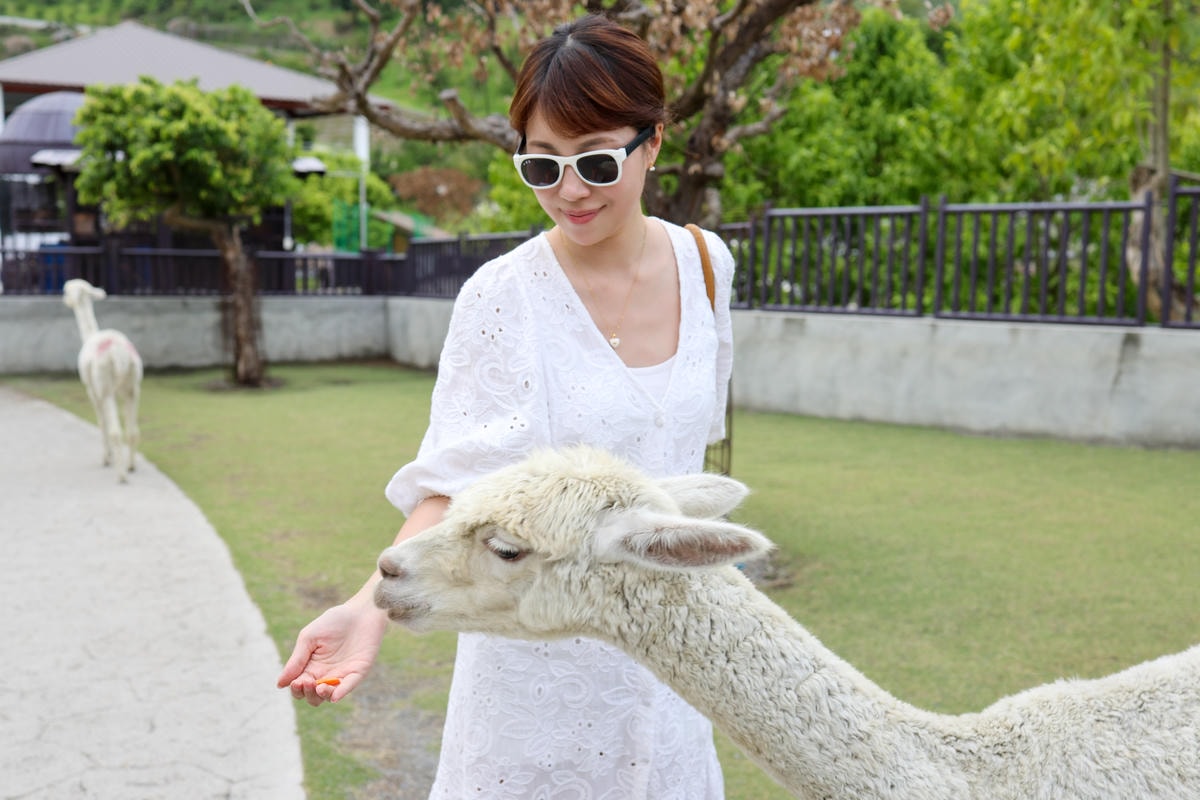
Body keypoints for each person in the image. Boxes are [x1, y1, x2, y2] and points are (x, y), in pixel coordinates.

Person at [278, 13, 735, 799]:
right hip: (537, 682)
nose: (568, 191)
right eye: (541, 166)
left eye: (595, 162)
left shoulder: (705, 263)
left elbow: (688, 458)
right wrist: (369, 605)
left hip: (669, 670)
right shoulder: (501, 296)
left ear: (653, 143)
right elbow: (457, 483)